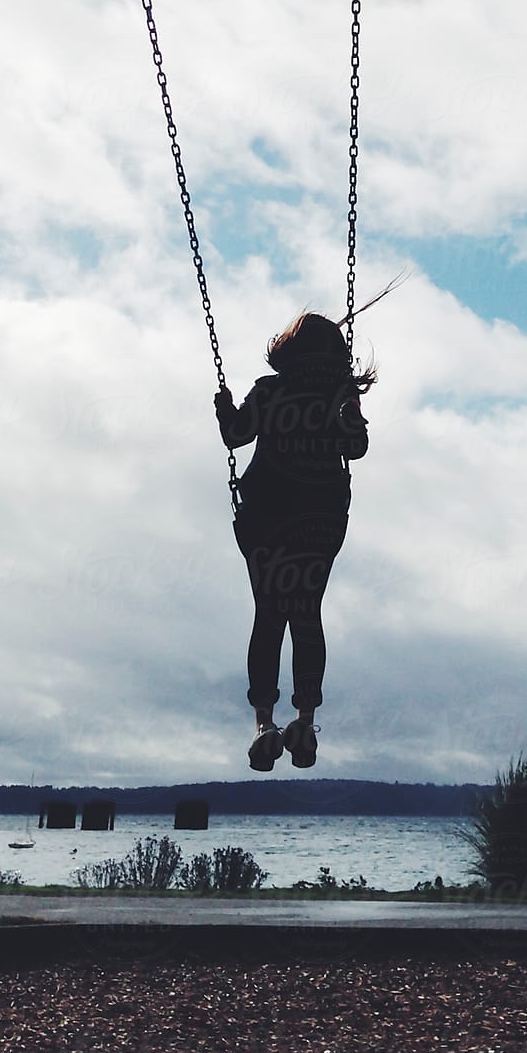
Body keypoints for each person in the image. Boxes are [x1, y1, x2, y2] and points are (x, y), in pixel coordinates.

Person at [215, 312, 374, 772]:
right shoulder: (339, 393)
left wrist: (225, 406)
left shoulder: (269, 390)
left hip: (267, 517)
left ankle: (264, 723)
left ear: (289, 348)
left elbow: (236, 435)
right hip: (319, 520)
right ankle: (305, 719)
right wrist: (345, 419)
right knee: (306, 613)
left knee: (269, 614)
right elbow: (356, 448)